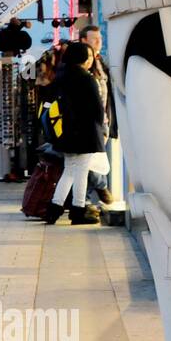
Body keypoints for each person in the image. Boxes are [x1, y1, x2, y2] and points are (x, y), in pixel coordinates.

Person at [45, 41, 104, 226]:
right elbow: (98, 108)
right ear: (82, 58)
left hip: (67, 132)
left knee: (70, 169)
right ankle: (78, 211)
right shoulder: (87, 78)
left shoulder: (61, 76)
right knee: (81, 171)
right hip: (85, 131)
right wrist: (101, 127)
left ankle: (54, 209)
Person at [79, 25, 118, 205]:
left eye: (100, 38)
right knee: (91, 159)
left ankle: (85, 201)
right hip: (90, 121)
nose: (98, 42)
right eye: (94, 39)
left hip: (104, 119)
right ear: (83, 41)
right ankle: (100, 188)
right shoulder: (81, 64)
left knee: (96, 159)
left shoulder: (101, 62)